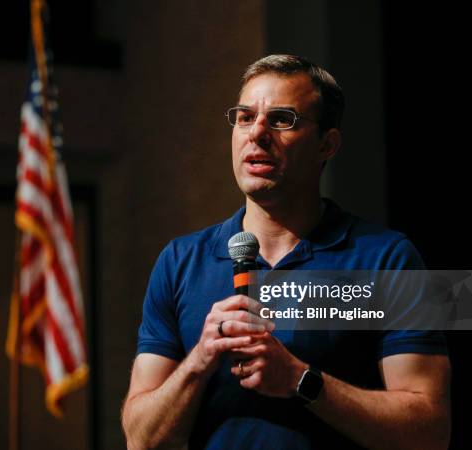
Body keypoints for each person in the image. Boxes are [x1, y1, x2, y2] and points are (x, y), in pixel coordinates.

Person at [121, 55, 451, 450]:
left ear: (327, 144)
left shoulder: (388, 259)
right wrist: (200, 359)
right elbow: (141, 439)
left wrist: (300, 380)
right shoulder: (179, 262)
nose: (257, 133)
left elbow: (430, 433)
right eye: (245, 117)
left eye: (281, 119)